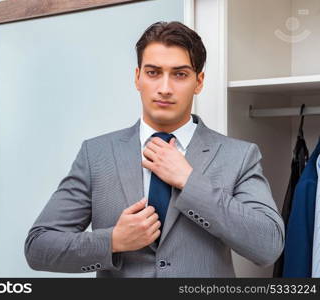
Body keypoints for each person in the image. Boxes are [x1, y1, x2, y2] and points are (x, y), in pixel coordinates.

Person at [24, 21, 285, 277]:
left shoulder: (239, 156)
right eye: (153, 73)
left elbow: (268, 246)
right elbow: (39, 247)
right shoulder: (96, 154)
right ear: (138, 78)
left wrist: (190, 182)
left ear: (199, 81)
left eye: (180, 74)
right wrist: (113, 240)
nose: (164, 88)